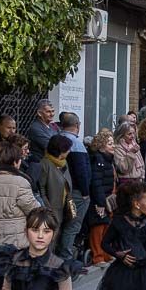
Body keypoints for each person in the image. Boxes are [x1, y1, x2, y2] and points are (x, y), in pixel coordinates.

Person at [58, 112, 91, 261]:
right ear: (77, 125)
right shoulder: (76, 143)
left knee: (63, 225)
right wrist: (85, 192)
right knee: (72, 225)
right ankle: (66, 260)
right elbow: (81, 170)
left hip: (60, 190)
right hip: (76, 192)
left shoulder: (56, 139)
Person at [37, 134, 75, 253]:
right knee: (50, 239)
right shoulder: (45, 164)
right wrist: (48, 208)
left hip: (63, 206)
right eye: (67, 149)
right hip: (51, 208)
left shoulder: (63, 163)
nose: (69, 151)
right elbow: (41, 188)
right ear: (60, 150)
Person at [88, 130, 118, 266]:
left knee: (107, 226)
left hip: (108, 198)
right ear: (101, 146)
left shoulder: (108, 159)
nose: (114, 146)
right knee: (98, 227)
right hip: (100, 200)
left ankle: (106, 253)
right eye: (110, 143)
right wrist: (100, 203)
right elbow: (97, 183)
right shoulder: (98, 160)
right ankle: (98, 256)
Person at [25, 98, 58, 164]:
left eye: (53, 111)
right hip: (40, 163)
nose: (52, 114)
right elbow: (51, 146)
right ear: (39, 113)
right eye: (48, 112)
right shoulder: (36, 128)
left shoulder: (52, 126)